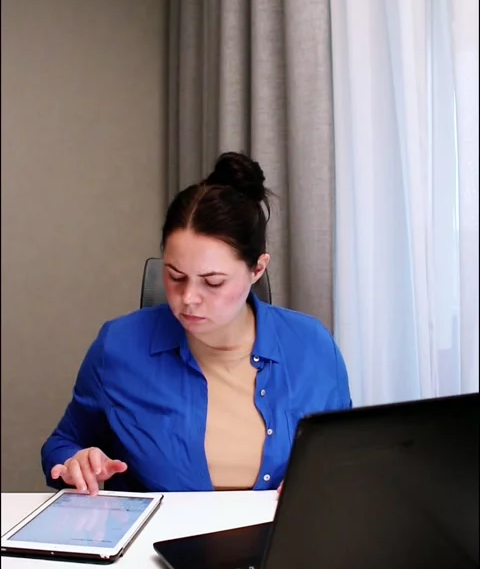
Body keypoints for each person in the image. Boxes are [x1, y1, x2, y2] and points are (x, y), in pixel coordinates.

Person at [41, 151, 352, 496]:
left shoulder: (313, 346)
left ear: (257, 269)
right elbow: (63, 444)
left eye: (213, 282)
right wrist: (76, 462)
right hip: (155, 545)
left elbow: (345, 458)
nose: (188, 297)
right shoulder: (118, 345)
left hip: (282, 543)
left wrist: (324, 480)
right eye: (175, 276)